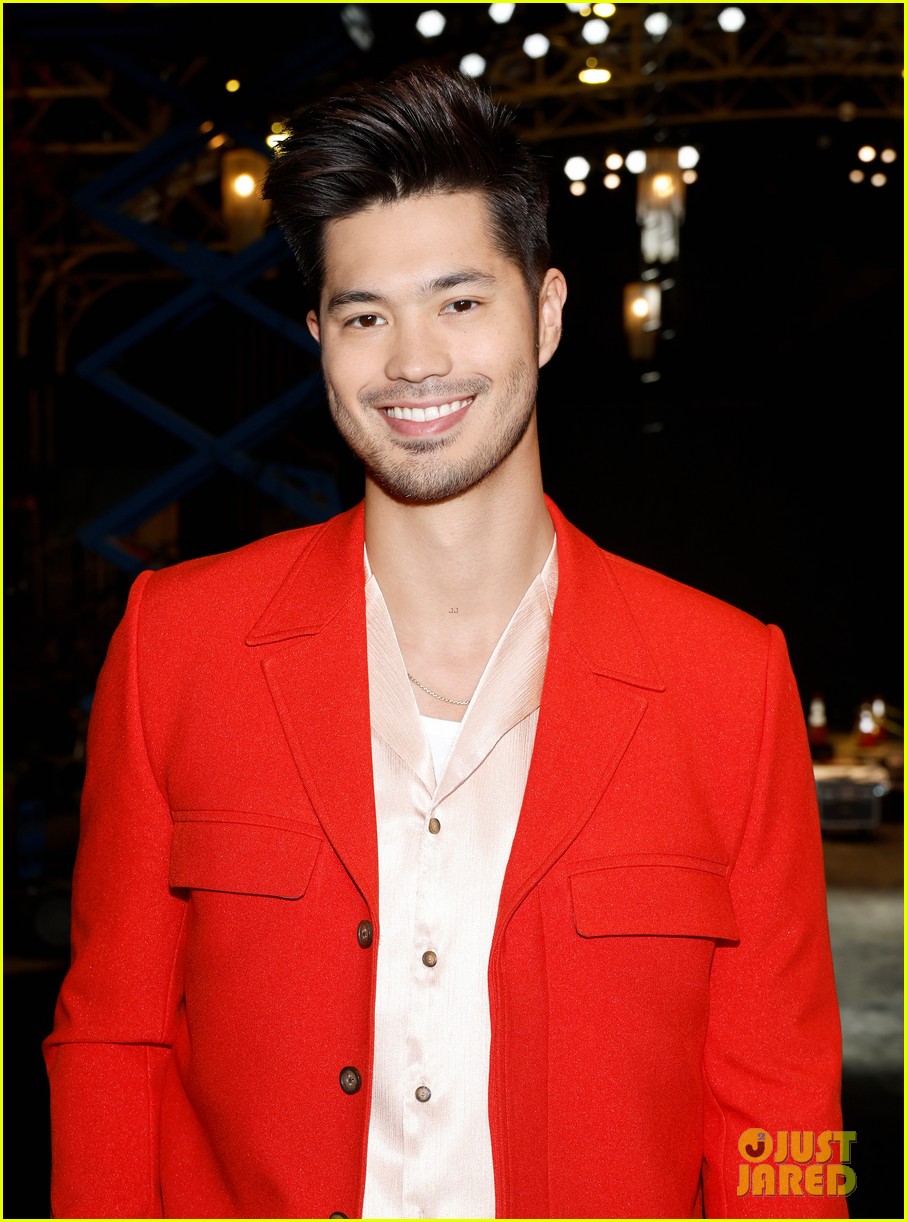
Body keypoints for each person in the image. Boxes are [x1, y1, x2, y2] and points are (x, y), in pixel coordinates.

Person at [44, 66, 848, 1220]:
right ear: (319, 337)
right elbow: (112, 1041)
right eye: (365, 316)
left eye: (460, 303)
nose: (412, 362)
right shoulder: (181, 644)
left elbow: (785, 1112)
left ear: (548, 312)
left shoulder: (727, 681)